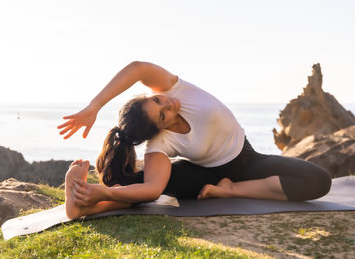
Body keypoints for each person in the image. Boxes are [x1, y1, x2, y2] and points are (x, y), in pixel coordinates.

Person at [58, 61, 331, 219]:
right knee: (136, 188)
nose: (168, 104)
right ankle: (80, 205)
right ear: (158, 130)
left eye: (156, 100)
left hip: (246, 161)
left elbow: (137, 68)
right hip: (203, 177)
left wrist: (94, 106)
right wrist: (107, 191)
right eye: (162, 115)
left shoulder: (174, 86)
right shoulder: (159, 145)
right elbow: (153, 189)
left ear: (150, 94)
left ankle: (232, 190)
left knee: (319, 181)